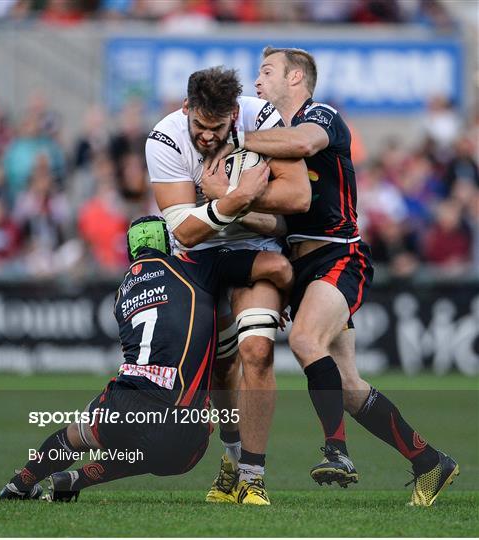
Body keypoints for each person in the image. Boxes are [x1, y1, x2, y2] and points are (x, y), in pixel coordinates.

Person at [203, 46, 459, 506]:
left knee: (304, 342)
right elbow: (281, 219)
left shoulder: (321, 116)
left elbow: (304, 144)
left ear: (296, 78)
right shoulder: (273, 137)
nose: (257, 81)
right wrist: (231, 203)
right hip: (301, 267)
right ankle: (430, 462)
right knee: (349, 387)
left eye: (266, 72)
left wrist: (233, 140)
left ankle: (336, 452)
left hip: (338, 255)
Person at [0, 213, 294, 502]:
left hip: (121, 403)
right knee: (163, 449)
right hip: (179, 423)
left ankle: (19, 484)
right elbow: (277, 266)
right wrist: (274, 299)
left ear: (130, 251)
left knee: (75, 434)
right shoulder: (193, 267)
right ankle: (82, 477)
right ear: (169, 243)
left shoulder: (121, 294)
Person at [146, 66, 309, 505]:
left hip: (255, 245)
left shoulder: (264, 119)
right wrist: (237, 200)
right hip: (198, 258)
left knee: (257, 350)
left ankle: (253, 478)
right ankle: (233, 457)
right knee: (220, 367)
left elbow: (297, 199)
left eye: (216, 128)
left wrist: (221, 203)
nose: (206, 137)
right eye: (199, 126)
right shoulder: (163, 138)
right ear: (186, 110)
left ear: (235, 115)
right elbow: (182, 230)